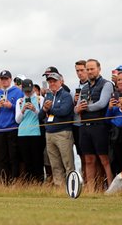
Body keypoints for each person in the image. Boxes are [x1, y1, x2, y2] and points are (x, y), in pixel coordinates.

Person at [75, 59, 114, 191]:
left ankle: (110, 187)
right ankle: (91, 189)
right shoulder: (84, 88)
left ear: (99, 69)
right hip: (85, 127)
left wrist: (85, 108)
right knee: (88, 159)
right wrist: (79, 108)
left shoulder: (107, 84)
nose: (90, 71)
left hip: (100, 126)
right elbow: (76, 108)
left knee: (104, 159)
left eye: (92, 69)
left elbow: (102, 103)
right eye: (88, 69)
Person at [38, 73, 74, 186]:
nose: (52, 83)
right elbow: (40, 116)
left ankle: (72, 187)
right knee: (55, 164)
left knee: (68, 163)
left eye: (54, 81)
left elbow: (64, 112)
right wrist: (44, 109)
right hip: (49, 133)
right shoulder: (48, 96)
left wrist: (50, 109)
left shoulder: (66, 95)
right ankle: (60, 187)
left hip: (63, 133)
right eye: (50, 81)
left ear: (61, 82)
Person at [0, 70, 24, 182]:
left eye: (6, 79)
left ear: (10, 79)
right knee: (2, 157)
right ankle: (6, 181)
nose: (4, 81)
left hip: (13, 128)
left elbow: (22, 109)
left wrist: (11, 106)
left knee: (13, 156)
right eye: (2, 79)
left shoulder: (17, 92)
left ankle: (15, 179)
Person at [15, 79, 44, 182]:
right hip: (22, 133)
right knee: (27, 161)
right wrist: (23, 110)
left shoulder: (40, 99)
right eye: (25, 91)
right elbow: (17, 120)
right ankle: (29, 183)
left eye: (29, 90)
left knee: (37, 159)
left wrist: (34, 109)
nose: (27, 92)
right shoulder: (19, 101)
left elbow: (42, 116)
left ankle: (39, 182)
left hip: (36, 133)